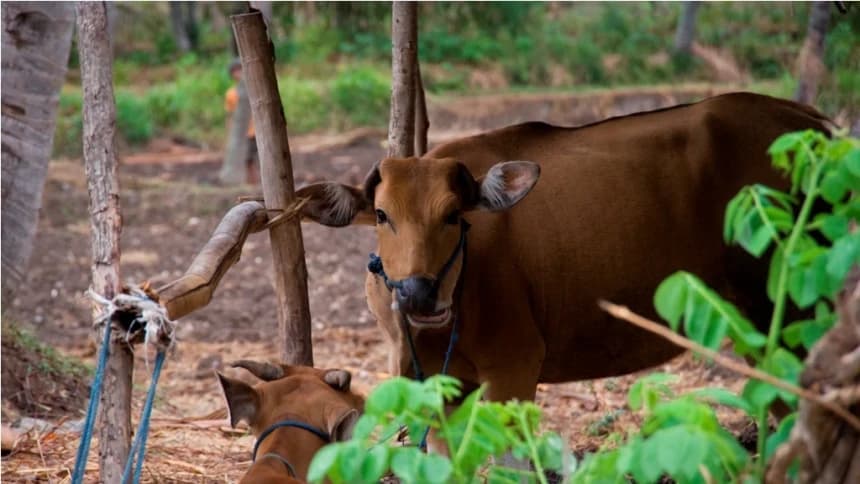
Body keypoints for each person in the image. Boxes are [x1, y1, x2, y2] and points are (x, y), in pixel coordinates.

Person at [224, 59, 259, 184]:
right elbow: (230, 115)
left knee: (259, 158)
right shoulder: (231, 94)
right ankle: (252, 183)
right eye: (235, 71)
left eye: (240, 69)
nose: (239, 73)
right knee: (247, 159)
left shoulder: (256, 89)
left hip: (258, 130)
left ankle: (256, 182)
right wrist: (230, 132)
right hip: (243, 132)